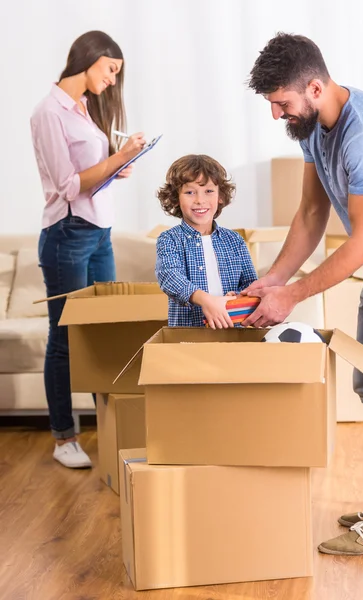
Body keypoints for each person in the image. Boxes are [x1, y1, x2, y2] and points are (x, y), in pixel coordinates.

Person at [244, 32, 363, 555]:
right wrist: (276, 279)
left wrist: (293, 296)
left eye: (281, 103)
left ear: (316, 87)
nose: (276, 114)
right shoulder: (314, 129)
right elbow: (311, 214)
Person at [31, 31, 146, 468]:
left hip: (100, 232)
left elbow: (91, 177)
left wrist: (119, 167)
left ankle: (112, 427)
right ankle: (64, 438)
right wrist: (117, 159)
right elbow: (67, 186)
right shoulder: (49, 111)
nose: (113, 81)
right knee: (64, 338)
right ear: (91, 58)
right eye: (111, 69)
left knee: (105, 330)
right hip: (67, 235)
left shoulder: (83, 109)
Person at [155, 154, 257, 328]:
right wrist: (206, 300)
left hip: (233, 332)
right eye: (189, 192)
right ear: (176, 198)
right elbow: (169, 276)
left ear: (220, 196)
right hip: (187, 337)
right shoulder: (169, 239)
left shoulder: (234, 241)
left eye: (208, 191)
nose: (200, 200)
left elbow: (250, 284)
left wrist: (239, 296)